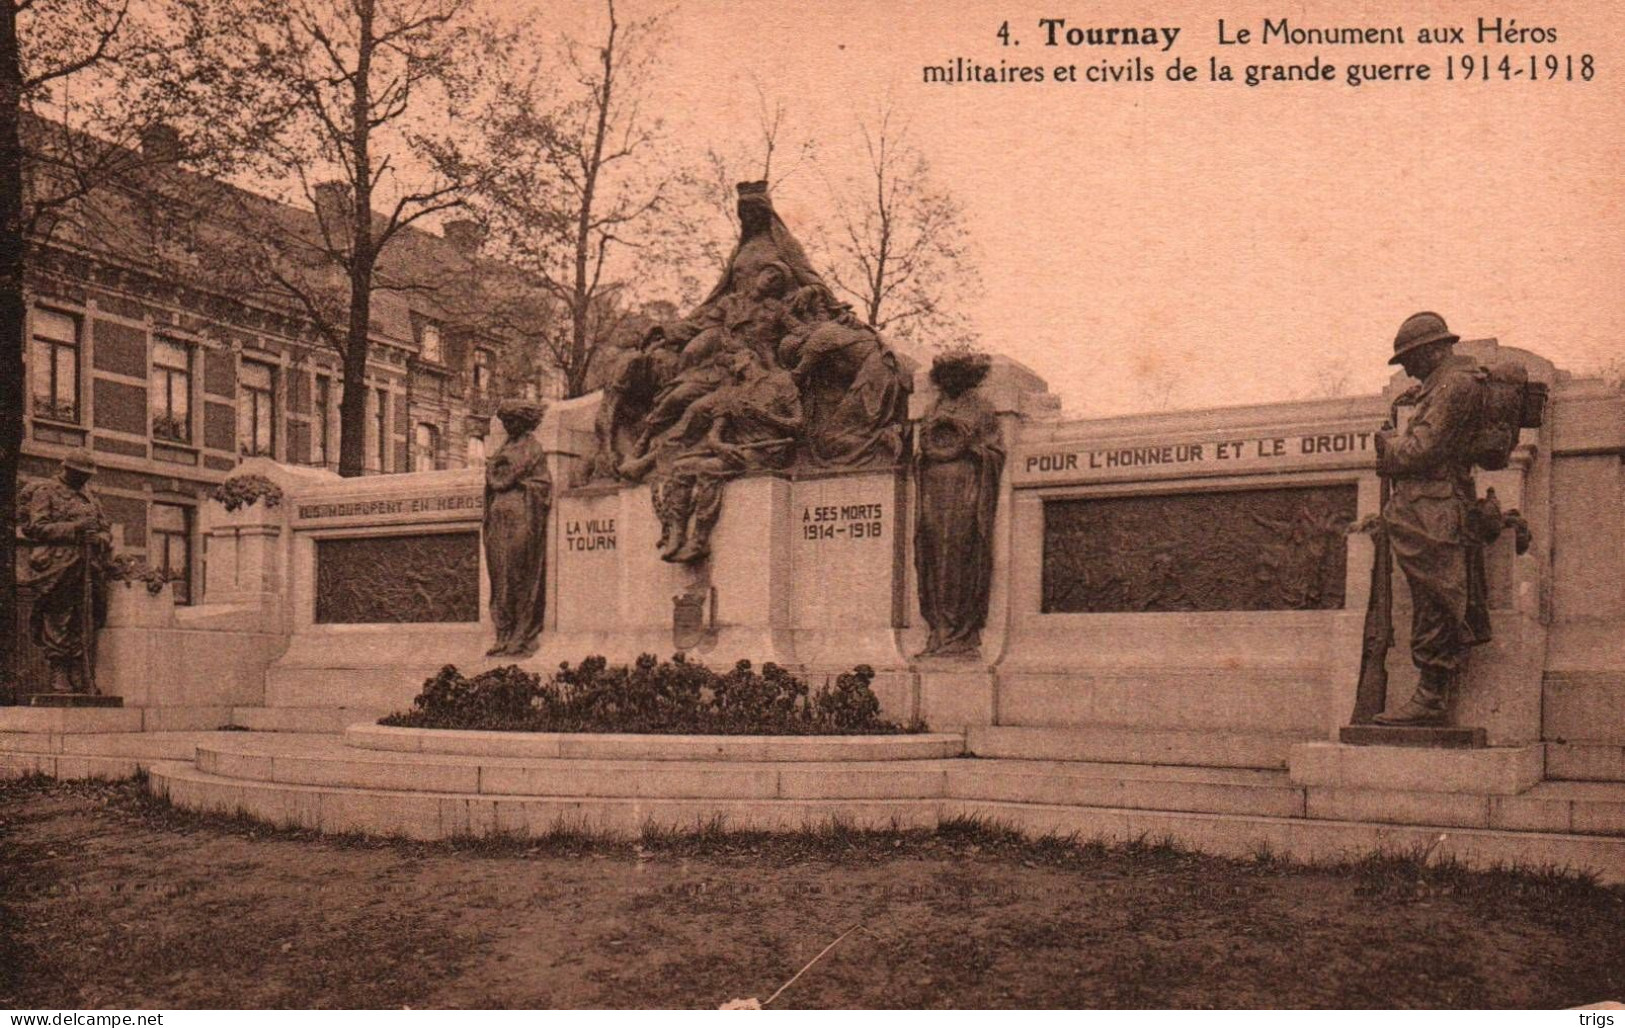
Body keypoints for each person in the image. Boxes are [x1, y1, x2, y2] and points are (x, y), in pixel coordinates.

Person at [1373, 312, 1493, 725]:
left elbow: (1421, 450)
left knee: (1436, 600)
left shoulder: (1454, 385)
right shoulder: (1436, 387)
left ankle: (1431, 697)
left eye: (1409, 357)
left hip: (1435, 508)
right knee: (1431, 597)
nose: (1406, 367)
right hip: (1424, 506)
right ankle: (1429, 693)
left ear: (1432, 350)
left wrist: (1387, 447)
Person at [914, 351, 1005, 658]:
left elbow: (994, 451)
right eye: (945, 375)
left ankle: (960, 631)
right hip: (932, 487)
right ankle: (938, 628)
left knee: (959, 551)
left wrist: (970, 446)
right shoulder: (932, 408)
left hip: (966, 487)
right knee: (932, 553)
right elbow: (922, 449)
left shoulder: (981, 408)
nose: (949, 381)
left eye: (956, 374)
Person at [18, 454, 111, 694]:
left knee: (86, 617)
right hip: (58, 565)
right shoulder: (47, 492)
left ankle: (80, 671)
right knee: (60, 617)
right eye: (80, 473)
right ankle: (59, 670)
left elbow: (104, 528)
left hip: (89, 565)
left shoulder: (90, 497)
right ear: (67, 470)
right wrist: (75, 529)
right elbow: (36, 528)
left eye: (87, 475)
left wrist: (101, 538)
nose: (84, 478)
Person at [483, 401, 552, 657]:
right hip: (497, 520)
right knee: (499, 577)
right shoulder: (503, 448)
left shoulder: (532, 448)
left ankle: (522, 633)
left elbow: (543, 485)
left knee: (518, 574)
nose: (508, 427)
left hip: (523, 516)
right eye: (505, 422)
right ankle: (503, 633)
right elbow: (491, 483)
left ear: (523, 422)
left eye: (512, 422)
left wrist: (515, 481)